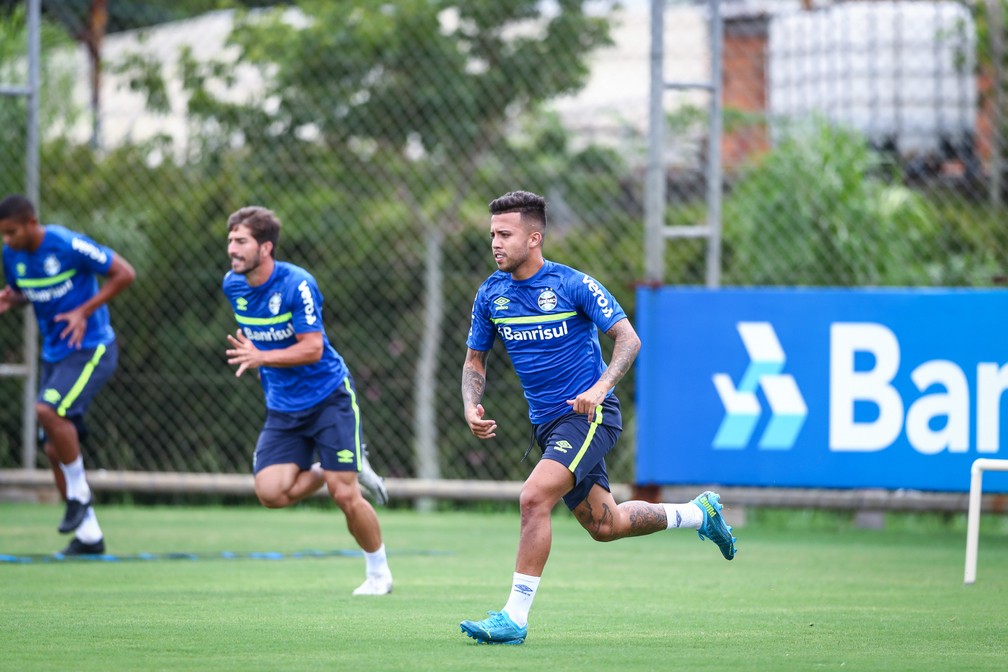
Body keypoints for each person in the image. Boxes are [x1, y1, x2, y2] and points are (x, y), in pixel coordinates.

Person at [459, 190, 737, 645]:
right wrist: (471, 405)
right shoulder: (491, 293)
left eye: (505, 234)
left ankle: (514, 618)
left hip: (590, 417)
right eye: (492, 234)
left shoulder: (573, 285)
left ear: (534, 238)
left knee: (533, 498)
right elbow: (475, 361)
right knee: (606, 526)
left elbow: (628, 340)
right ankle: (697, 514)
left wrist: (599, 388)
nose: (495, 243)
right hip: (548, 424)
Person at [222, 205, 393, 595]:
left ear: (266, 248)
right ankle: (340, 463)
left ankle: (379, 574)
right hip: (283, 407)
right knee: (270, 493)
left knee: (343, 492)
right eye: (230, 240)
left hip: (329, 397)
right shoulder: (232, 285)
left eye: (241, 241)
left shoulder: (297, 284)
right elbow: (262, 335)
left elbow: (313, 348)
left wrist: (260, 356)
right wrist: (259, 349)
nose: (232, 248)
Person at [0, 194, 136, 556]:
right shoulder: (11, 255)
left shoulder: (67, 243)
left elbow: (125, 273)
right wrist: (9, 300)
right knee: (52, 446)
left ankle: (79, 494)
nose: (7, 240)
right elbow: (26, 293)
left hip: (91, 348)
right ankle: (90, 536)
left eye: (11, 232)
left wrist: (83, 311)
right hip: (55, 355)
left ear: (31, 223)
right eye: (2, 235)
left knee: (47, 410)